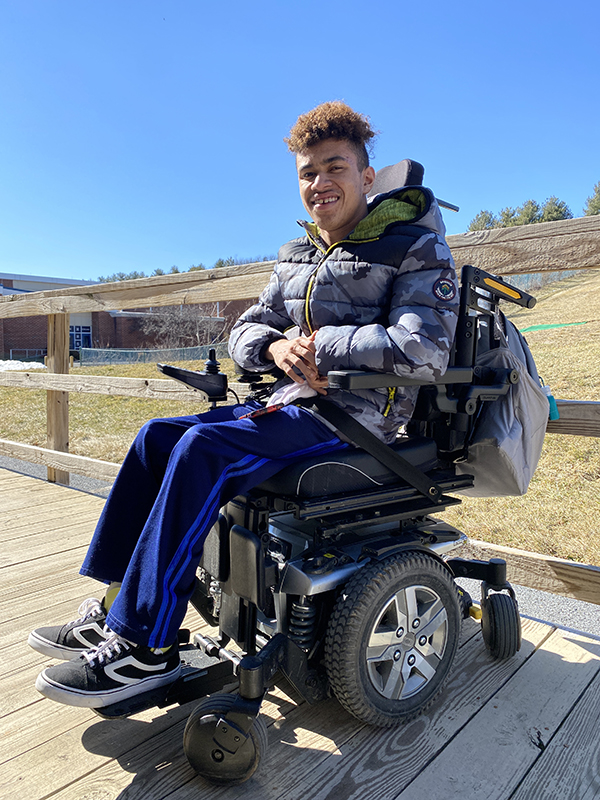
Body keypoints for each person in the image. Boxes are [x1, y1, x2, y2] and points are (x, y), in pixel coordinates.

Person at [29, 101, 459, 709]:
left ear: (366, 176)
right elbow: (244, 332)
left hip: (359, 418)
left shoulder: (413, 248)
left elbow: (424, 349)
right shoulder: (298, 256)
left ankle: (144, 646)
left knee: (203, 450)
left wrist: (320, 347)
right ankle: (115, 608)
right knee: (157, 436)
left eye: (334, 166)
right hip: (288, 402)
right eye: (307, 173)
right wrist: (276, 345)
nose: (319, 183)